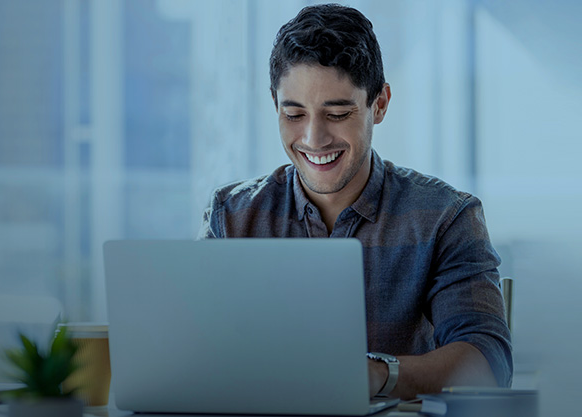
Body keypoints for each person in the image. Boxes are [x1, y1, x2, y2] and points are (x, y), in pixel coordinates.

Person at [198, 3, 512, 399]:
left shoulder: (445, 217)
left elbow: (489, 364)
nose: (313, 139)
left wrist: (377, 375)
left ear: (379, 104)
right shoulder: (233, 215)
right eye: (293, 114)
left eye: (338, 113)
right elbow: (198, 352)